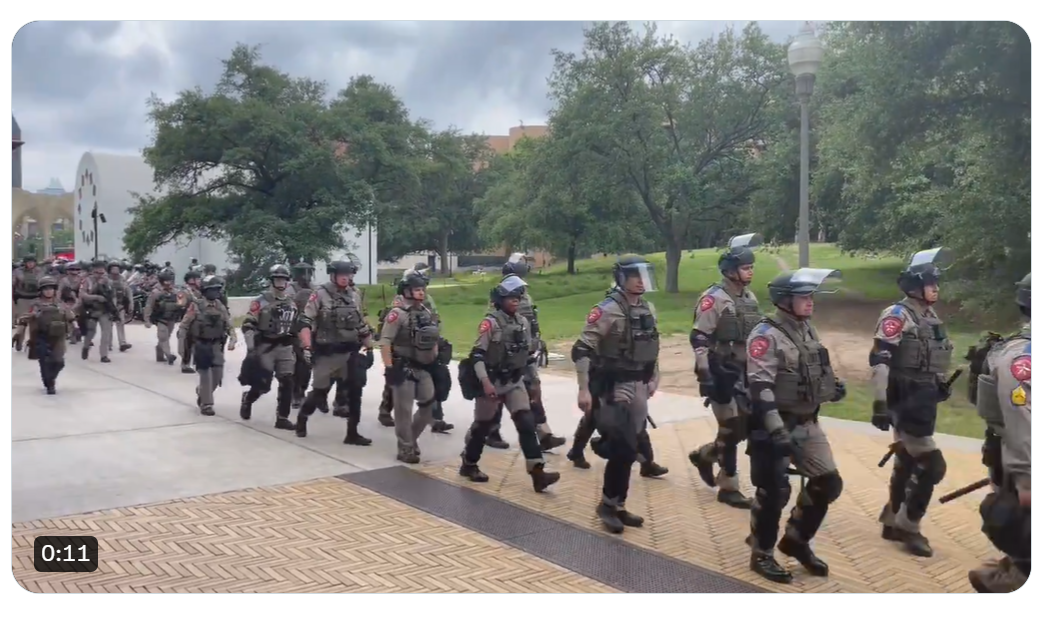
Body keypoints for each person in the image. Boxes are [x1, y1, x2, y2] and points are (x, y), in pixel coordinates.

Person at [744, 268, 848, 584]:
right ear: (784, 300)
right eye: (804, 296)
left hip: (807, 422)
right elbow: (760, 388)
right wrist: (776, 430)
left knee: (828, 482)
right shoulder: (765, 335)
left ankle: (796, 540)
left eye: (810, 295)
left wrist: (833, 388)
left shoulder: (806, 330)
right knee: (774, 491)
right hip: (772, 422)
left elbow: (813, 371)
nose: (810, 302)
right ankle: (761, 552)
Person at [870, 248, 956, 557]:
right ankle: (910, 525)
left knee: (906, 459)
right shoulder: (897, 315)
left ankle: (892, 519)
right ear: (914, 287)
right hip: (903, 398)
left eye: (936, 283)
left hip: (922, 398)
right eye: (930, 283)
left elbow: (930, 360)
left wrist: (937, 385)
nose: (936, 288)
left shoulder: (930, 317)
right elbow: (879, 361)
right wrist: (879, 403)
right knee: (933, 464)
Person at [570, 256, 661, 533]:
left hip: (638, 387)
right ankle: (607, 506)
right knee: (622, 449)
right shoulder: (607, 310)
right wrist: (584, 389)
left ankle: (619, 504)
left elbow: (651, 346)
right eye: (634, 275)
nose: (640, 280)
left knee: (630, 448)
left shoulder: (648, 308)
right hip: (611, 388)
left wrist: (654, 376)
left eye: (644, 275)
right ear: (621, 278)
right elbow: (582, 350)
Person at [458, 275, 560, 492]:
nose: (517, 299)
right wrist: (485, 383)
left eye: (519, 295)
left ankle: (538, 473)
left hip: (515, 381)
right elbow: (476, 355)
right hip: (492, 381)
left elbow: (526, 356)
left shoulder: (523, 323)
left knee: (526, 423)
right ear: (501, 298)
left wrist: (532, 383)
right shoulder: (490, 323)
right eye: (512, 296)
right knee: (482, 427)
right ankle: (469, 464)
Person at [687, 233, 763, 509]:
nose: (750, 271)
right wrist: (704, 371)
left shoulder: (749, 298)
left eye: (751, 266)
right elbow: (699, 337)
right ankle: (729, 486)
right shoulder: (714, 299)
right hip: (720, 370)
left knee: (743, 425)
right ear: (730, 271)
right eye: (746, 267)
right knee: (730, 427)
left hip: (744, 371)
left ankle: (705, 454)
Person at [965, 273, 1030, 592]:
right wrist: (1028, 479)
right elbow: (1022, 419)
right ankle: (999, 581)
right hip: (1022, 465)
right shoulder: (1023, 359)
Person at [482, 258, 567, 451]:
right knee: (499, 395)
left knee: (534, 391)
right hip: (506, 357)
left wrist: (537, 340)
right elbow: (494, 325)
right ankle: (491, 432)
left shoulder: (525, 296)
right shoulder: (499, 297)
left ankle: (543, 433)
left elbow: (531, 322)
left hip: (525, 352)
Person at [293, 260, 373, 442]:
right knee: (319, 392)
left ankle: (352, 433)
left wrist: (369, 346)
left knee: (355, 392)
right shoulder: (320, 294)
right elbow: (305, 321)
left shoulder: (355, 295)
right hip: (326, 352)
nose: (346, 278)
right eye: (342, 275)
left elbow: (360, 322)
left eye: (349, 275)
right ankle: (302, 418)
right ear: (333, 275)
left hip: (350, 351)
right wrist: (306, 346)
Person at [377, 266, 454, 433]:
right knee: (396, 389)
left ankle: (435, 418)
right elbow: (388, 336)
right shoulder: (400, 304)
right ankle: (385, 412)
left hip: (424, 352)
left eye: (423, 288)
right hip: (404, 357)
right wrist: (389, 366)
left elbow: (434, 318)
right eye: (418, 288)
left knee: (434, 386)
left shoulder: (426, 303)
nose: (422, 291)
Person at [239, 265, 300, 430]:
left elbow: (296, 326)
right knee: (263, 384)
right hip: (265, 346)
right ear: (271, 280)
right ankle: (248, 399)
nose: (281, 282)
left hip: (285, 346)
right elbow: (248, 324)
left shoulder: (291, 302)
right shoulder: (261, 301)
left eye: (284, 279)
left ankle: (282, 417)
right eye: (277, 279)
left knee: (287, 381)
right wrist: (251, 348)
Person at [180, 275, 237, 415]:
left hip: (217, 344)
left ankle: (202, 392)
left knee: (217, 376)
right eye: (213, 290)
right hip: (201, 345)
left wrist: (233, 338)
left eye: (217, 290)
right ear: (205, 291)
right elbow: (185, 324)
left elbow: (228, 324)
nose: (216, 293)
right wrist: (182, 344)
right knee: (206, 375)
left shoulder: (220, 306)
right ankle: (207, 404)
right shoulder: (196, 306)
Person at [17, 276, 75, 394]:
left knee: (59, 362)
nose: (48, 291)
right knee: (44, 361)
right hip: (41, 336)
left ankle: (51, 378)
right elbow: (25, 318)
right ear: (41, 290)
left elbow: (70, 316)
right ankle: (49, 384)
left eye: (51, 288)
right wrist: (19, 333)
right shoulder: (36, 304)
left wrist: (76, 326)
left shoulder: (60, 303)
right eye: (46, 289)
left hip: (58, 337)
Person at [77, 259, 118, 363]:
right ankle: (86, 347)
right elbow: (83, 295)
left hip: (105, 310)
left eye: (102, 272)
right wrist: (96, 296)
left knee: (106, 333)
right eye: (97, 272)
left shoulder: (109, 282)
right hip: (92, 310)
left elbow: (113, 296)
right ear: (92, 271)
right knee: (91, 332)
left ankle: (104, 355)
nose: (99, 274)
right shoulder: (87, 281)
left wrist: (114, 308)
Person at [290, 261, 315, 409]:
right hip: (294, 330)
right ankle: (295, 393)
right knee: (296, 364)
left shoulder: (316, 289)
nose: (305, 276)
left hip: (311, 330)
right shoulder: (290, 290)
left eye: (308, 272)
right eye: (302, 272)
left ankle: (302, 389)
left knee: (307, 365)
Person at [143, 268, 181, 365]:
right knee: (163, 337)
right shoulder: (156, 293)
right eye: (166, 281)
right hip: (161, 319)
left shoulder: (176, 292)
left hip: (172, 319)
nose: (168, 283)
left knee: (166, 337)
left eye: (170, 280)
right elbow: (149, 306)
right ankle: (169, 355)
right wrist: (147, 320)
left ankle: (159, 354)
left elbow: (182, 304)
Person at [177, 269, 203, 373]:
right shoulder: (184, 292)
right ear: (191, 280)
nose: (199, 281)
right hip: (187, 320)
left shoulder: (198, 291)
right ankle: (185, 364)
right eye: (197, 279)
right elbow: (180, 305)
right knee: (186, 342)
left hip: (197, 320)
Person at [107, 260, 134, 353]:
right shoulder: (106, 279)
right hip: (108, 306)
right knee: (108, 326)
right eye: (113, 268)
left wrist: (131, 303)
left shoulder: (122, 279)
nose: (115, 270)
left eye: (117, 268)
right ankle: (108, 344)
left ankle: (122, 343)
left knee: (121, 323)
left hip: (120, 305)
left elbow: (128, 291)